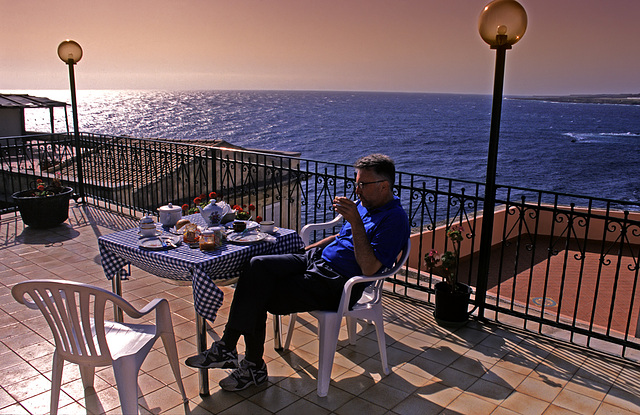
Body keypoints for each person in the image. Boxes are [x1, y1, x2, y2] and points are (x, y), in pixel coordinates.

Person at [185, 153, 410, 391]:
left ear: (384, 186)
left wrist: (355, 221)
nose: (357, 190)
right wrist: (306, 251)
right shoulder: (365, 206)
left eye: (363, 184)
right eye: (356, 183)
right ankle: (229, 349)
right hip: (315, 260)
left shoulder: (394, 219)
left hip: (337, 282)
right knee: (256, 265)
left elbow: (370, 268)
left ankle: (249, 364)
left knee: (258, 291)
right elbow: (341, 238)